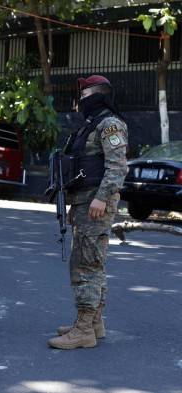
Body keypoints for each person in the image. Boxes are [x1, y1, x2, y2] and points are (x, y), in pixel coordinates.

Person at [48, 75, 128, 350]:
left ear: (98, 95)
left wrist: (101, 198)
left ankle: (83, 330)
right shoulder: (93, 124)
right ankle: (93, 323)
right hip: (86, 201)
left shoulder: (110, 124)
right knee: (90, 260)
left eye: (84, 94)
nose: (81, 100)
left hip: (96, 202)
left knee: (86, 264)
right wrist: (76, 205)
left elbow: (117, 167)